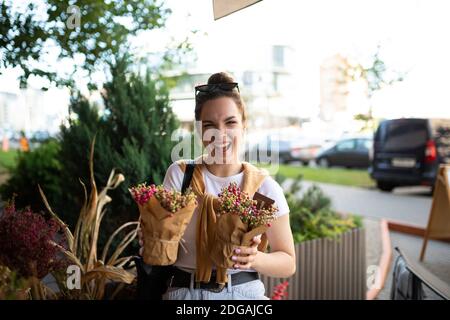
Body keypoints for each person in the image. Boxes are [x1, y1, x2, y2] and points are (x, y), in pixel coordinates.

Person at [138, 72, 296, 300]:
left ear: (244, 125)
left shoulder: (263, 188)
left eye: (230, 122)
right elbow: (163, 244)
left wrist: (254, 258)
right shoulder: (181, 175)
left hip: (242, 295)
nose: (220, 134)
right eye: (210, 125)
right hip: (184, 294)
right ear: (200, 130)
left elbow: (288, 262)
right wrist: (152, 240)